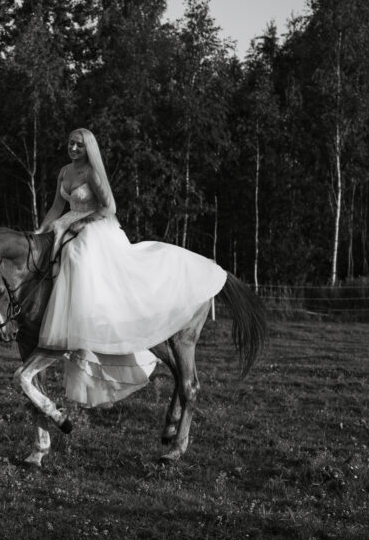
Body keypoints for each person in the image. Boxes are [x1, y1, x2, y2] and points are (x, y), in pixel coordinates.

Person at [35, 128, 226, 407]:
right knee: (45, 259)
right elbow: (56, 207)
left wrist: (80, 221)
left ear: (88, 148)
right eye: (71, 144)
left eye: (78, 145)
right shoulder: (64, 171)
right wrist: (41, 230)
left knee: (76, 258)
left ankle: (88, 318)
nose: (73, 148)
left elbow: (109, 207)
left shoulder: (93, 173)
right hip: (68, 225)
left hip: (94, 229)